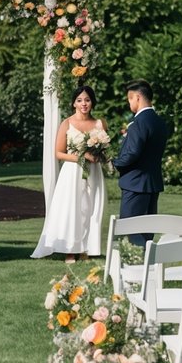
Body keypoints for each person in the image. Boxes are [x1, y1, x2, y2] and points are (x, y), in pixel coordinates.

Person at [31, 85, 107, 261]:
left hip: (93, 173)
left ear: (92, 102)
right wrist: (81, 157)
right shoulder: (67, 123)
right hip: (72, 173)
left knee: (91, 209)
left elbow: (103, 149)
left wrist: (98, 156)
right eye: (80, 100)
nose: (84, 104)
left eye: (87, 100)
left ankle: (87, 248)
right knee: (73, 209)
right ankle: (70, 250)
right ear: (74, 103)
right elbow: (58, 153)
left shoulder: (99, 124)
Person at [112, 79, 168, 248]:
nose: (129, 103)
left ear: (137, 97)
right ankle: (148, 268)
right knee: (147, 232)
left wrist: (114, 162)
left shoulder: (139, 123)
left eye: (129, 99)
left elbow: (132, 153)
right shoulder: (160, 122)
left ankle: (133, 270)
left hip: (135, 183)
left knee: (131, 232)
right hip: (152, 184)